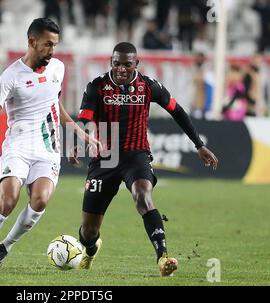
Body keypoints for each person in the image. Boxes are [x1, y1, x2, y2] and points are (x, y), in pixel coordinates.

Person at [0, 18, 99, 273]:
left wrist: (80, 133)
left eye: (55, 45)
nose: (52, 51)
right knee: (8, 199)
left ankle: (4, 248)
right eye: (47, 44)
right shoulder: (11, 75)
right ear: (32, 42)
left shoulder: (57, 68)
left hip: (48, 149)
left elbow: (54, 105)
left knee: (40, 200)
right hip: (18, 146)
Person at [69, 42, 218, 277]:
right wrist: (76, 145)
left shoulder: (148, 87)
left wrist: (199, 145)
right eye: (116, 63)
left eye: (127, 65)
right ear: (111, 62)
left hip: (136, 155)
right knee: (88, 231)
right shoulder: (96, 87)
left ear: (136, 64)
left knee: (143, 196)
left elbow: (177, 111)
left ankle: (163, 257)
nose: (121, 69)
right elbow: (84, 119)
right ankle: (90, 248)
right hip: (105, 159)